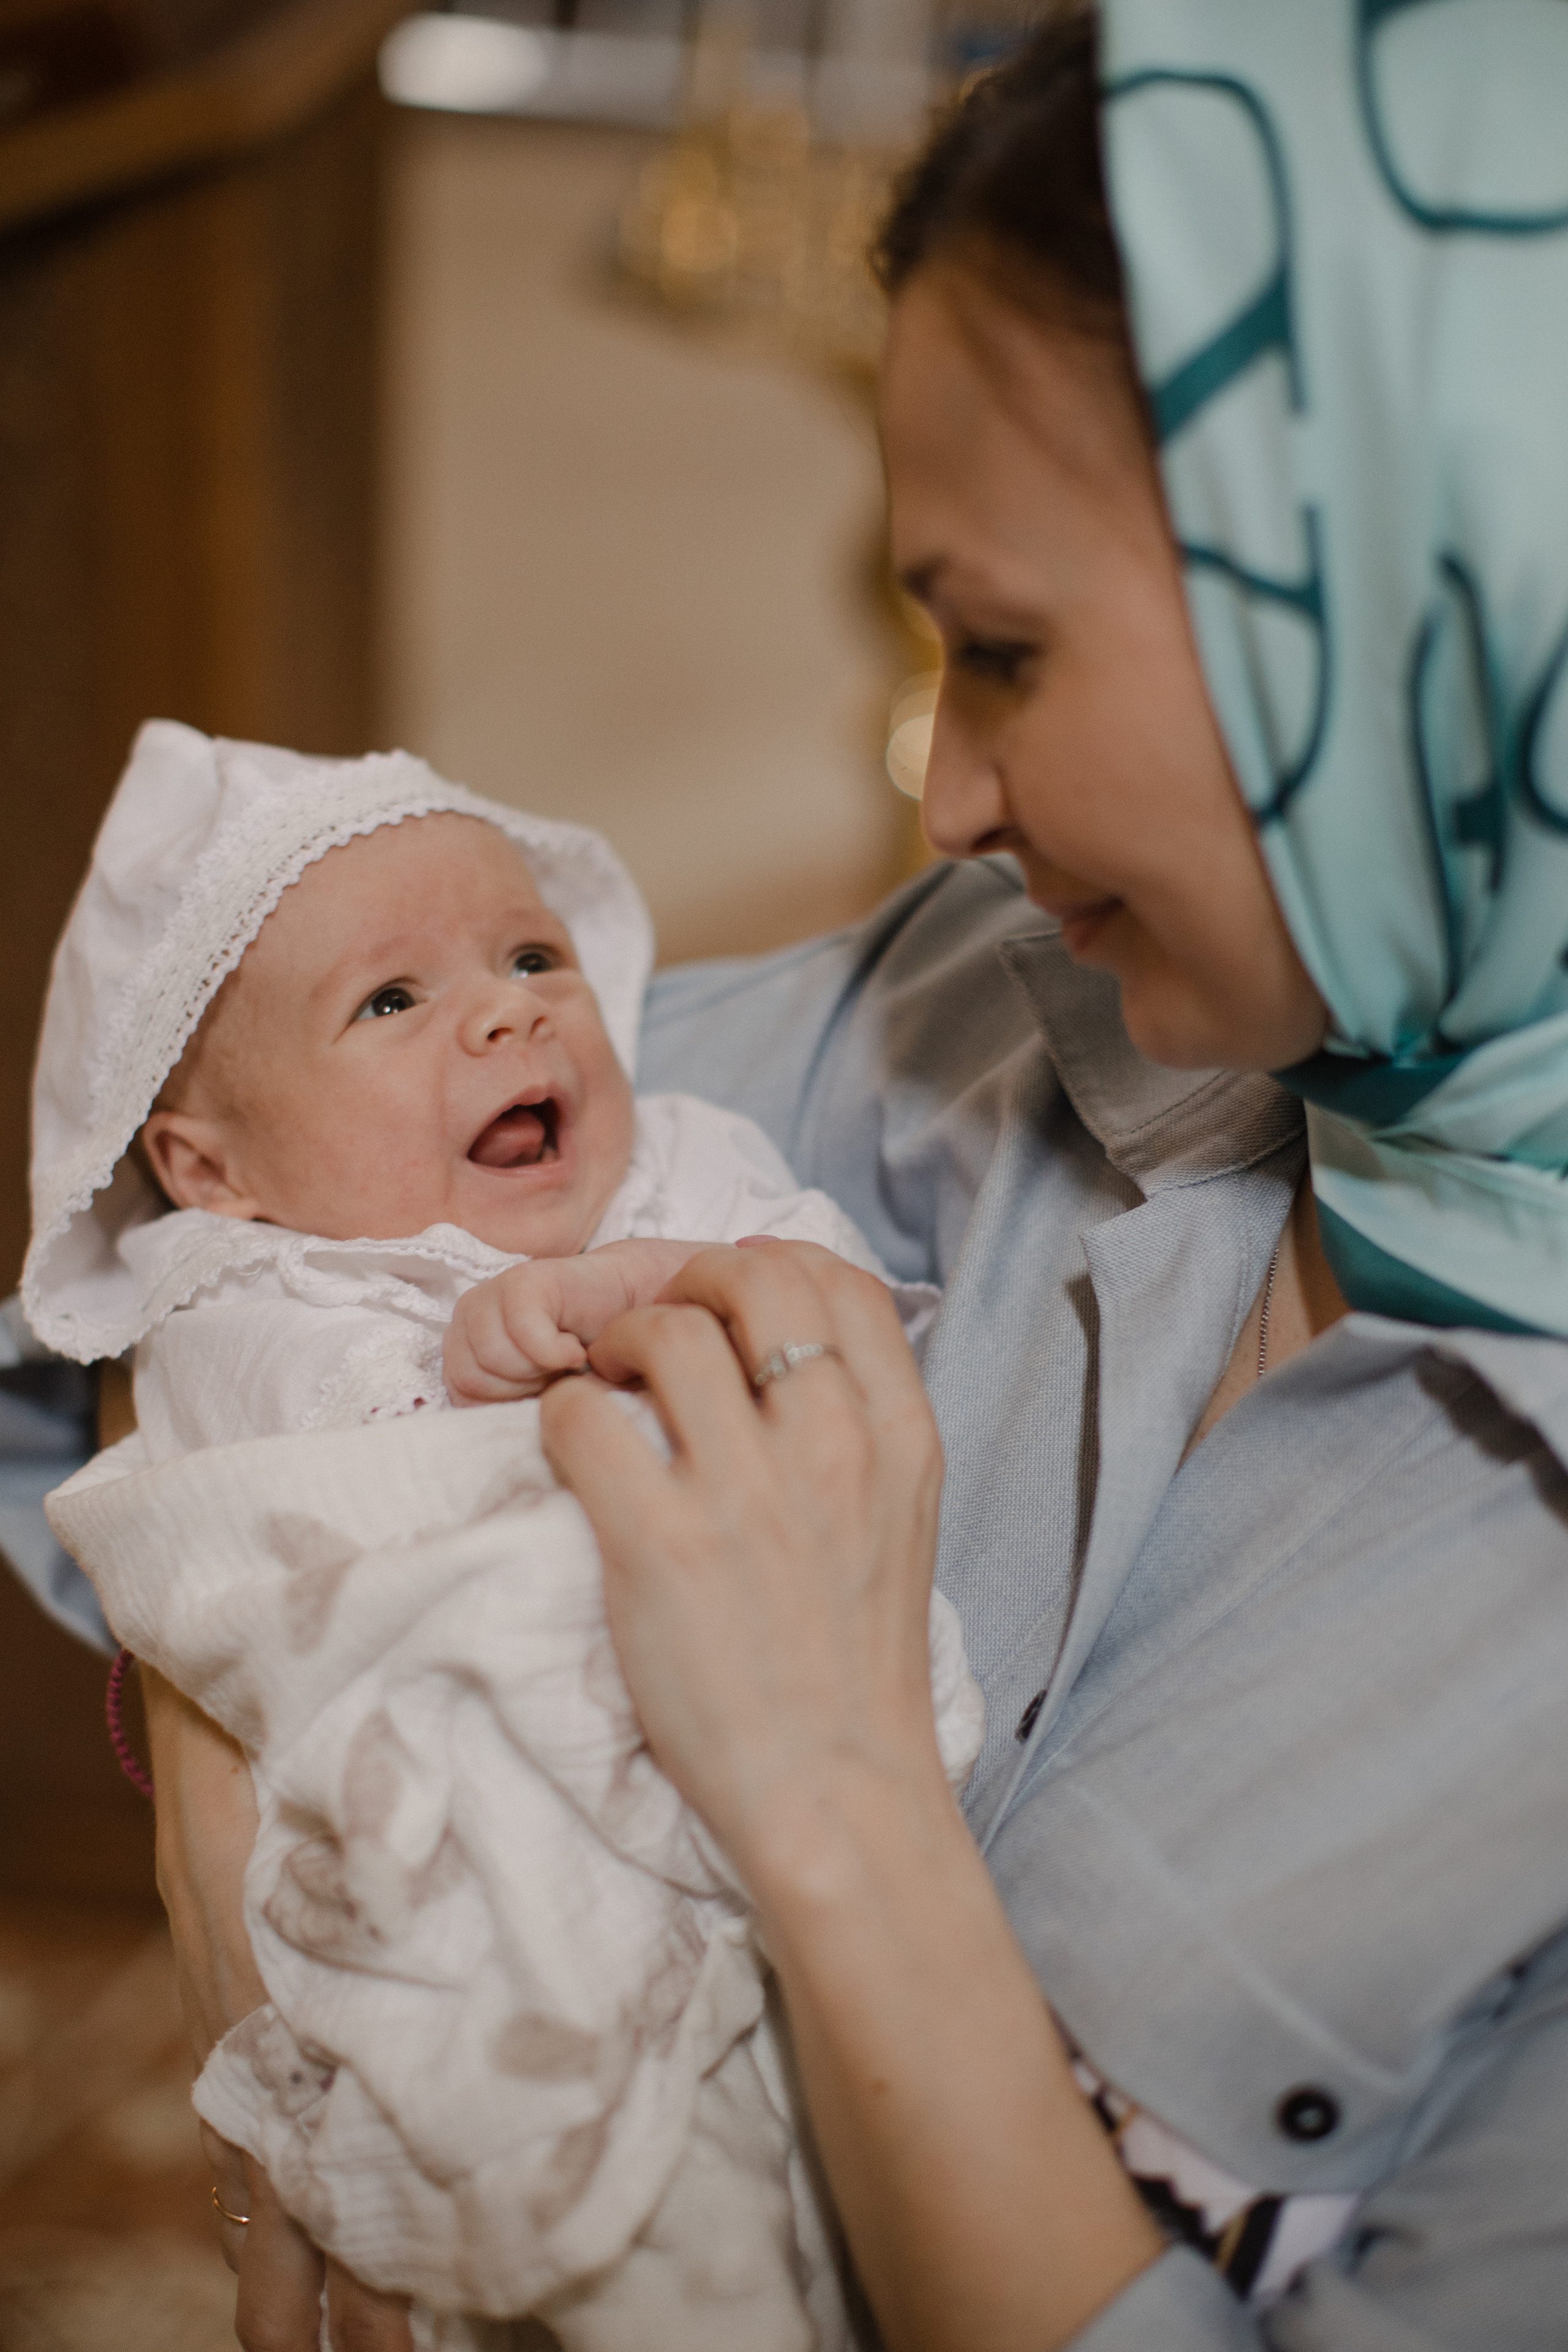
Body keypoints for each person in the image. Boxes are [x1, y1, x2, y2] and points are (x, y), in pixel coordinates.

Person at [140, 1, 1568, 2345]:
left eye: (1001, 649)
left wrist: (822, 1795)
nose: (952, 805)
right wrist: (269, 1783)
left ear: (1428, 603)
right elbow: (217, 1226)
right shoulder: (1027, 999)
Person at [24, 720, 978, 2350]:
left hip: (773, 1784)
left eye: (533, 952)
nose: (509, 1003)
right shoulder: (253, 1297)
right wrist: (478, 1363)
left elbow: (822, 1302)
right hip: (466, 1811)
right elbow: (284, 1513)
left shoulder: (683, 1156)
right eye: (389, 1002)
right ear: (211, 1170)